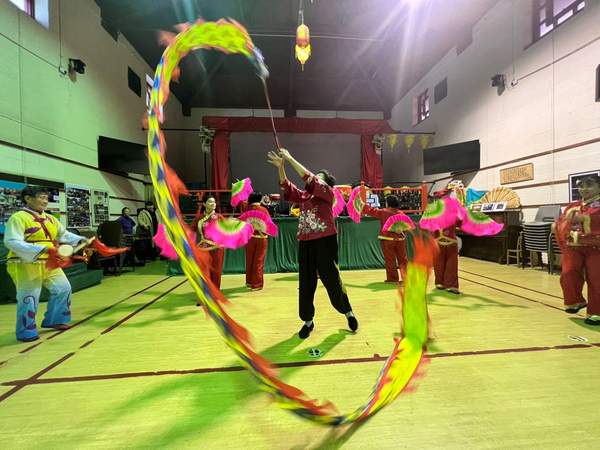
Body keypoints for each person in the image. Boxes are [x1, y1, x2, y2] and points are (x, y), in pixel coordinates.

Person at [268, 148, 358, 339]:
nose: (315, 178)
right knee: (306, 283)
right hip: (306, 242)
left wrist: (290, 157)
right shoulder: (303, 196)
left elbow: (308, 178)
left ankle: (348, 311)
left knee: (332, 280)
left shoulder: (327, 193)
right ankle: (308, 322)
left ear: (325, 183)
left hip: (325, 240)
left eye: (319, 177)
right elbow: (286, 186)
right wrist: (281, 167)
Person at [3, 185, 87, 342]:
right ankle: (26, 331)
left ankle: (55, 319)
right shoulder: (18, 217)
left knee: (63, 288)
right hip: (25, 262)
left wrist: (80, 240)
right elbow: (11, 241)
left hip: (50, 261)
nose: (45, 201)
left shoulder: (50, 218)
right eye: (41, 197)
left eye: (46, 198)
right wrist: (42, 249)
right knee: (29, 296)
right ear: (28, 199)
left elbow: (64, 234)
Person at [556, 175, 600, 325]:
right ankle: (574, 301)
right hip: (574, 247)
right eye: (581, 186)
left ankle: (596, 312)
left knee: (596, 279)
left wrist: (584, 219)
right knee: (568, 273)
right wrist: (559, 226)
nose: (584, 189)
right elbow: (562, 222)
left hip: (596, 248)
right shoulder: (572, 206)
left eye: (589, 185)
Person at [363, 194, 408, 284]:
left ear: (388, 203)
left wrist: (362, 204)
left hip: (387, 239)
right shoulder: (401, 213)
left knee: (390, 259)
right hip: (400, 239)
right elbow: (406, 227)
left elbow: (372, 211)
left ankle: (393, 279)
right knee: (403, 259)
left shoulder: (384, 212)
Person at [192, 195, 225, 289]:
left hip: (217, 248)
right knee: (203, 271)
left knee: (216, 271)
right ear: (204, 204)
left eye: (214, 202)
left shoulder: (219, 217)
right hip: (203, 247)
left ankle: (215, 294)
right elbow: (192, 231)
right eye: (210, 202)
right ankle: (205, 294)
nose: (213, 204)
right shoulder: (199, 218)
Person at [432, 189, 461, 295]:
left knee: (438, 263)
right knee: (451, 263)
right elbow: (460, 223)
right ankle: (451, 285)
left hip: (438, 241)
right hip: (451, 241)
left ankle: (440, 283)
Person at [243, 192, 270, 290]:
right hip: (260, 238)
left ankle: (249, 282)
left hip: (249, 238)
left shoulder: (247, 209)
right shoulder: (263, 210)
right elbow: (268, 225)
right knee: (258, 261)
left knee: (250, 260)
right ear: (260, 198)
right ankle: (256, 284)